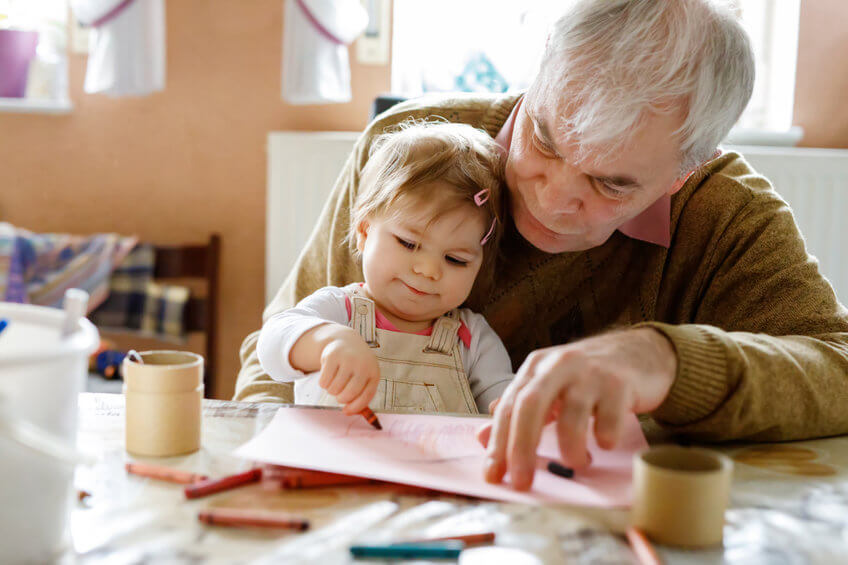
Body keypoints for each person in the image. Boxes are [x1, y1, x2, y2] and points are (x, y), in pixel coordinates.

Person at [238, 0, 848, 491]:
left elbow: (837, 366)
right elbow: (272, 360)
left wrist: (668, 362)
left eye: (611, 183)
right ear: (536, 81)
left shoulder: (726, 214)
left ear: (685, 171)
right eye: (546, 140)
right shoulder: (411, 152)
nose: (554, 200)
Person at [256, 121, 514, 415]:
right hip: (332, 458)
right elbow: (271, 344)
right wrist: (328, 341)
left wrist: (510, 406)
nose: (429, 270)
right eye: (408, 243)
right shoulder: (340, 310)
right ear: (365, 232)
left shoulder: (472, 338)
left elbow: (502, 399)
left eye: (456, 259)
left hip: (430, 461)